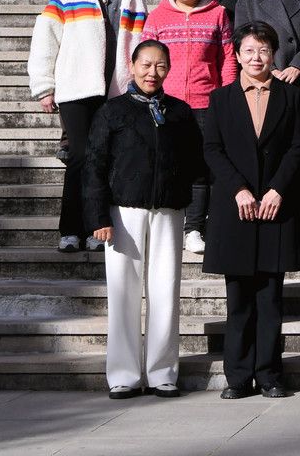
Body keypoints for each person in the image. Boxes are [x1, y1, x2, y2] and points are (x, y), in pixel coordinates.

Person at [83, 40, 202, 400]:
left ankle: (163, 372)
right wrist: (98, 216)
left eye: (160, 66)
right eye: (146, 65)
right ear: (132, 67)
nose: (153, 72)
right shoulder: (112, 111)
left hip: (168, 210)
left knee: (166, 290)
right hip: (123, 212)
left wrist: (189, 205)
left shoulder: (179, 112)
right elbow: (94, 165)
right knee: (124, 292)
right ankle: (124, 375)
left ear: (169, 69)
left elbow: (196, 163)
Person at [201, 22, 300, 400]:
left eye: (263, 50)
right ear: (237, 54)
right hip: (237, 209)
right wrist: (239, 189)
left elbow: (297, 147)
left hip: (276, 207)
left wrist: (277, 188)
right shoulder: (221, 98)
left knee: (270, 298)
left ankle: (270, 375)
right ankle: (238, 377)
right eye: (249, 50)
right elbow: (212, 149)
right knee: (239, 301)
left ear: (273, 54)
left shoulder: (290, 96)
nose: (256, 57)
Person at [30, 0, 149, 254]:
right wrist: (44, 86)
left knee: (108, 159)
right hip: (77, 90)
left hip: (117, 91)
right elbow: (45, 39)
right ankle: (70, 229)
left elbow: (142, 44)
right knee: (81, 156)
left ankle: (98, 229)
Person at [143, 0, 235, 255]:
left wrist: (226, 96)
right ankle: (165, 224)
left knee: (200, 168)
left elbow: (228, 59)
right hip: (166, 103)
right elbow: (146, 58)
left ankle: (193, 228)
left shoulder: (218, 13)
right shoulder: (157, 17)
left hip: (205, 102)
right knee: (166, 164)